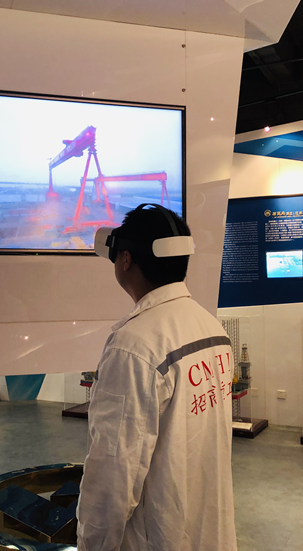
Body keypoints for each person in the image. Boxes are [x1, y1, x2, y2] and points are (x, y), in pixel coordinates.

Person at [77, 204, 238, 551]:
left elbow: (113, 474)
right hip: (209, 532)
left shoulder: (134, 347)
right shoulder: (212, 328)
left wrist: (92, 545)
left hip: (158, 538)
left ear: (125, 260)